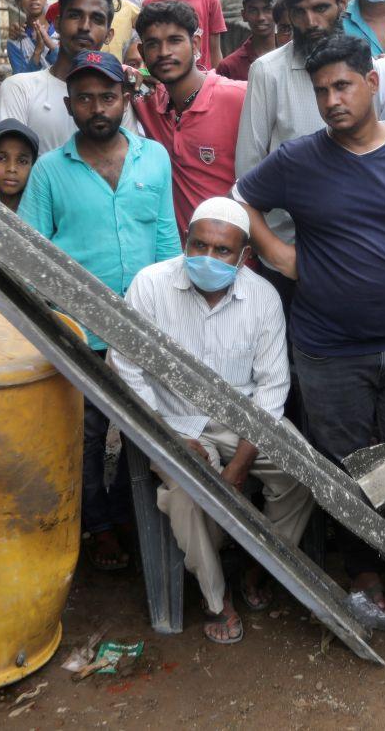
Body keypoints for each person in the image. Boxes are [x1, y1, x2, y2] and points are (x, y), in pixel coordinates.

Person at [234, 34, 385, 613]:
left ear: (371, 83)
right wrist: (279, 255)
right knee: (343, 469)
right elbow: (241, 198)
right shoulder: (298, 160)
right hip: (328, 352)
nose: (332, 100)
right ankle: (364, 574)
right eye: (320, 91)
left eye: (342, 85)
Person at [110, 197, 313, 645]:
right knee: (187, 492)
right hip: (171, 418)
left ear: (244, 257)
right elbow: (126, 368)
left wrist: (240, 462)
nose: (207, 258)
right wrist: (171, 439)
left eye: (222, 251)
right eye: (198, 245)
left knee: (303, 474)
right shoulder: (151, 285)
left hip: (241, 420)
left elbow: (273, 387)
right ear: (185, 241)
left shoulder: (262, 296)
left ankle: (262, 568)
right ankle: (216, 595)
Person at [18, 49, 179, 573]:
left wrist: (170, 314)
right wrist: (54, 321)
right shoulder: (47, 171)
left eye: (107, 95)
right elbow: (32, 254)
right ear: (69, 106)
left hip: (143, 325)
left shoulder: (153, 157)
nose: (96, 107)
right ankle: (98, 525)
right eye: (84, 97)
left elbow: (166, 238)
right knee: (85, 436)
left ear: (126, 98)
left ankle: (134, 514)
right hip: (78, 333)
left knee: (144, 429)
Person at [235, 0, 349, 272]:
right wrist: (275, 252)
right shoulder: (267, 72)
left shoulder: (365, 65)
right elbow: (248, 169)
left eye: (321, 8)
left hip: (355, 245)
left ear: (342, 3)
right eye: (299, 12)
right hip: (287, 250)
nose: (311, 22)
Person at [133, 0, 248, 238]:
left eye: (175, 41)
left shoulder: (238, 97)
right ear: (143, 53)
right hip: (182, 255)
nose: (164, 52)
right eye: (153, 44)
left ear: (195, 44)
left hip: (240, 253)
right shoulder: (148, 104)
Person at [0, 0, 114, 153]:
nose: (84, 26)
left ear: (109, 35)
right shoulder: (19, 89)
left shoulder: (118, 93)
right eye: (75, 15)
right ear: (57, 23)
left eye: (97, 19)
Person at [215, 0, 281, 82]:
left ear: (278, 12)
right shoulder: (229, 67)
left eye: (267, 9)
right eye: (253, 10)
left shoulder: (293, 55)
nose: (261, 17)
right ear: (244, 15)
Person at [7, 0, 58, 74]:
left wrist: (51, 45)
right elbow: (20, 80)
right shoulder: (15, 42)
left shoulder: (62, 31)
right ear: (18, 2)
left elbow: (71, 68)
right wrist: (37, 51)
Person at [0, 119, 40, 211]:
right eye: (0, 158)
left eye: (22, 161)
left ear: (32, 165)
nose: (11, 168)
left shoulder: (40, 212)